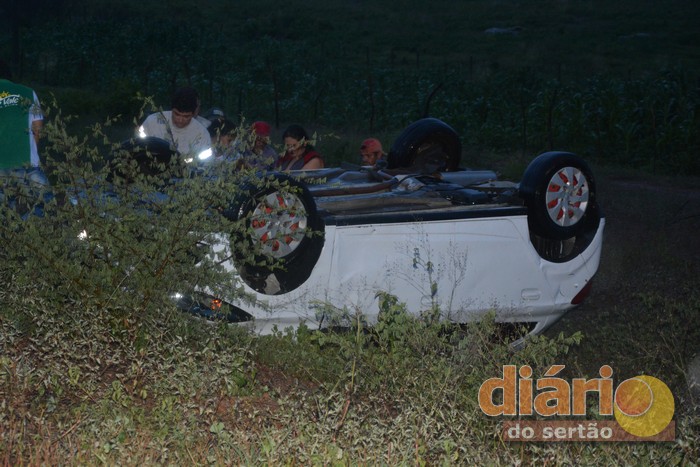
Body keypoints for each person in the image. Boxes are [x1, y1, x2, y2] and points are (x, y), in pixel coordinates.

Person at [0, 59, 48, 187]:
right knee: (42, 198)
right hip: (27, 163)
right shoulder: (29, 92)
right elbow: (37, 127)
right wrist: (33, 153)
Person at [138, 86, 212, 163]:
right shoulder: (152, 121)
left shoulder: (202, 134)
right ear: (172, 110)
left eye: (186, 116)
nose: (180, 120)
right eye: (177, 114)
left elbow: (204, 163)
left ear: (193, 114)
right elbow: (139, 145)